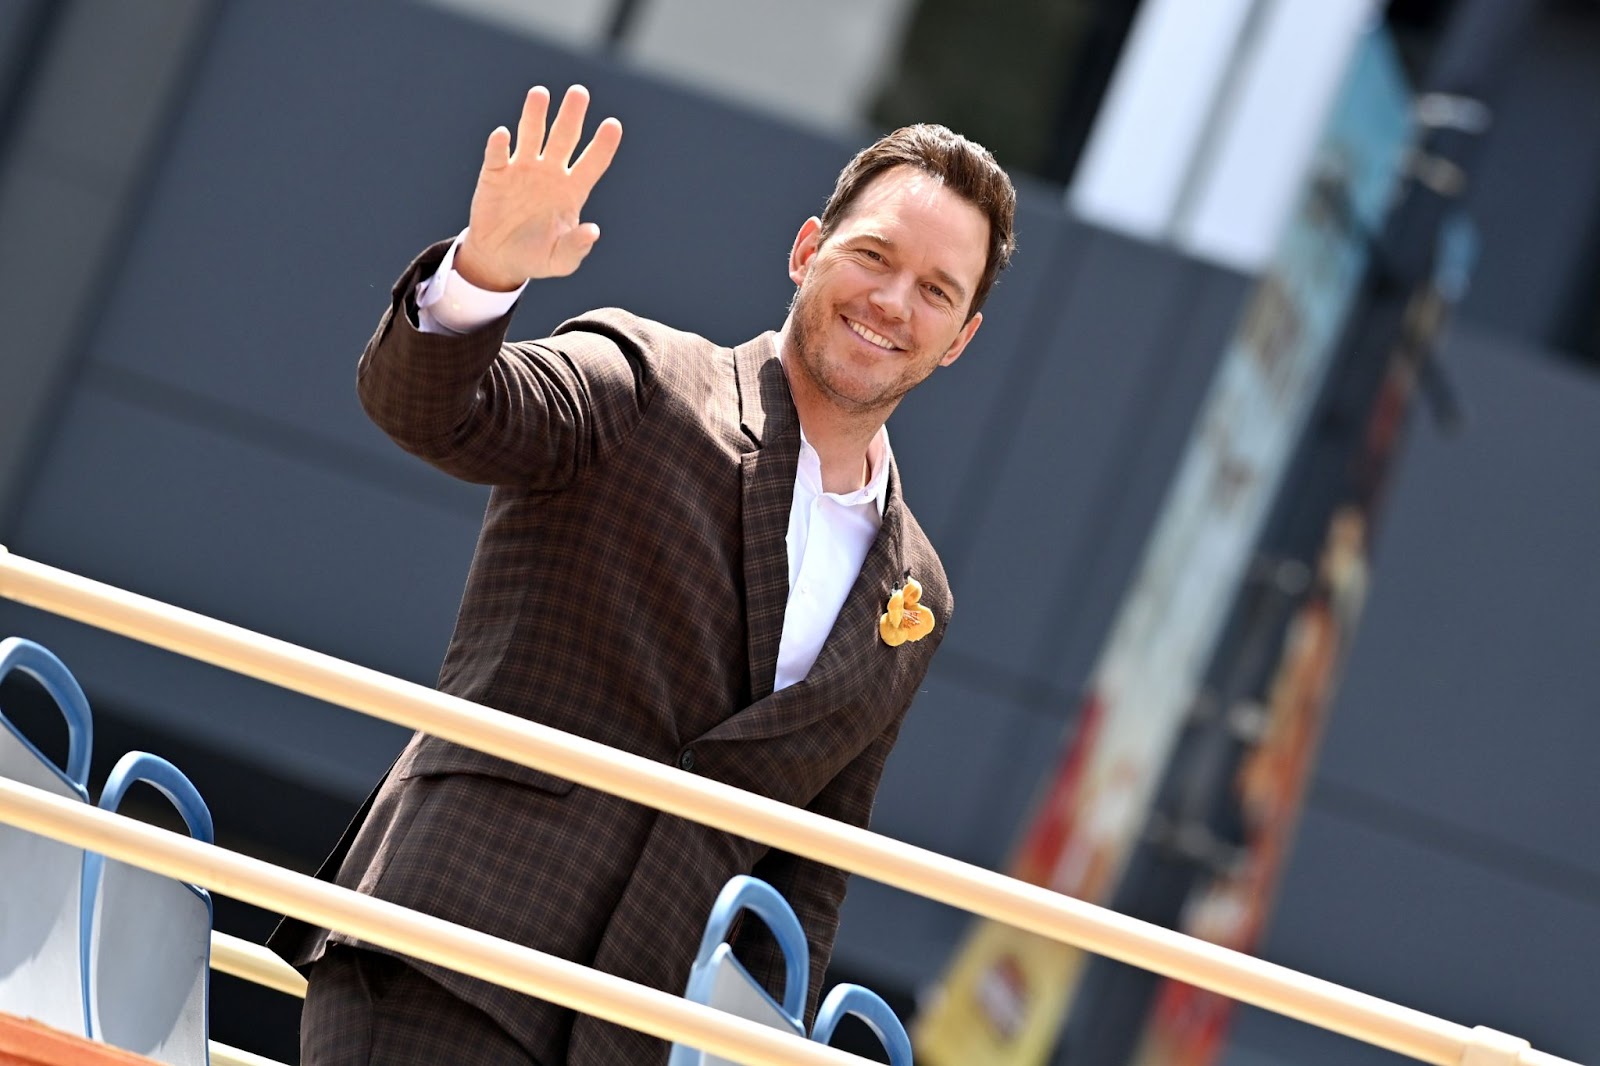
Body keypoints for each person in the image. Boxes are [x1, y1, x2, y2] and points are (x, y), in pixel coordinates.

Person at [268, 83, 1016, 1065]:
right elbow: (436, 412)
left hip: (629, 1036)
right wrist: (484, 273)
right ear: (805, 251)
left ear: (959, 338)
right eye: (873, 255)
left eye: (934, 290)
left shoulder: (914, 593)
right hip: (444, 952)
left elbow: (806, 870)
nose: (891, 301)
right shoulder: (647, 379)